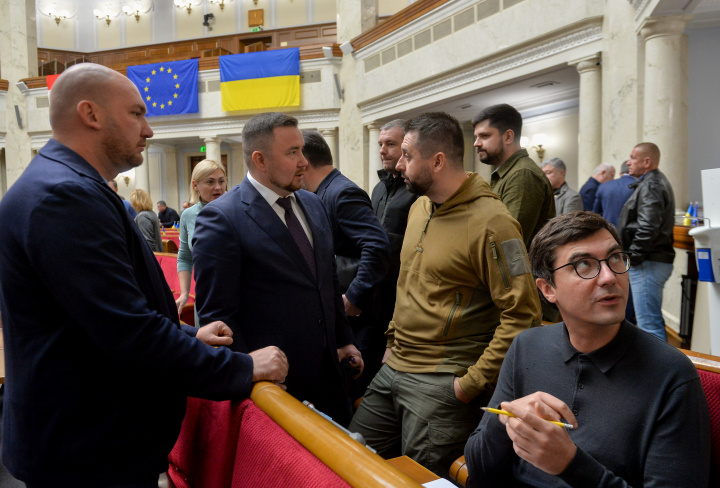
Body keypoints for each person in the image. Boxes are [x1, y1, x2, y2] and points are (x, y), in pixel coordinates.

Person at [0, 63, 288, 488]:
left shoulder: (68, 184)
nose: (149, 130)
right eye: (136, 114)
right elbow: (127, 331)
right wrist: (243, 367)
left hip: (86, 442)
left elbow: (94, 318)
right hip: (86, 452)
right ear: (90, 114)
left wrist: (191, 336)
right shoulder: (65, 195)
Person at [349, 112, 541, 477]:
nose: (398, 164)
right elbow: (408, 282)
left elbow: (523, 315)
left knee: (418, 480)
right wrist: (391, 341)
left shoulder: (493, 223)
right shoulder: (420, 206)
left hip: (441, 380)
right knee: (347, 458)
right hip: (395, 364)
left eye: (407, 156)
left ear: (437, 162)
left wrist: (470, 384)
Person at [465, 211, 709, 487]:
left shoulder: (671, 375)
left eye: (615, 258)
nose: (609, 277)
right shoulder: (526, 346)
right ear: (548, 289)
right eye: (584, 264)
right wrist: (505, 418)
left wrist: (570, 464)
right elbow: (479, 469)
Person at [192, 112, 363, 427]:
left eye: (302, 150)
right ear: (260, 160)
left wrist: (342, 339)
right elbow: (219, 317)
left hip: (331, 373)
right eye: (292, 152)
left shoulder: (313, 203)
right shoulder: (222, 218)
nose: (304, 162)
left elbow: (327, 279)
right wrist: (250, 374)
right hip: (274, 385)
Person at [301, 130, 390, 397]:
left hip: (359, 320)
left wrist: (354, 296)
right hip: (346, 317)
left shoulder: (342, 192)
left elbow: (376, 246)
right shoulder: (323, 191)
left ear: (304, 161)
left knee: (354, 393)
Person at [472, 103, 555, 249]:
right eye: (476, 137)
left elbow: (509, 242)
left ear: (508, 137)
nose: (476, 143)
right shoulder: (507, 173)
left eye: (484, 136)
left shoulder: (522, 174)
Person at [617, 142, 675, 341]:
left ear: (647, 162)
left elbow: (648, 226)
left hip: (648, 261)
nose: (628, 162)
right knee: (648, 321)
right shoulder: (652, 182)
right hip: (650, 260)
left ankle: (660, 363)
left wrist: (633, 258)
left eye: (633, 158)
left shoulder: (651, 185)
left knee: (649, 325)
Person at [370, 119, 418, 348]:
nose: (382, 150)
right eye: (380, 144)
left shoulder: (417, 189)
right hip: (376, 289)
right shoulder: (378, 188)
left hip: (403, 293)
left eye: (390, 144)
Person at [175, 159, 228, 327]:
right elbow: (184, 256)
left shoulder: (236, 210)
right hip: (205, 297)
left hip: (236, 296)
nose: (218, 187)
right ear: (195, 185)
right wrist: (184, 293)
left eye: (221, 181)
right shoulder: (188, 215)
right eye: (210, 182)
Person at [592, 161, 635, 227]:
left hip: (608, 229)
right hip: (631, 230)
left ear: (620, 174)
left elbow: (596, 213)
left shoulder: (604, 186)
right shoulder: (639, 185)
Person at [131, 188, 164, 252]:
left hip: (151, 254)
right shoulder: (151, 213)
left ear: (136, 202)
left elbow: (148, 242)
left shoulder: (143, 216)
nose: (131, 204)